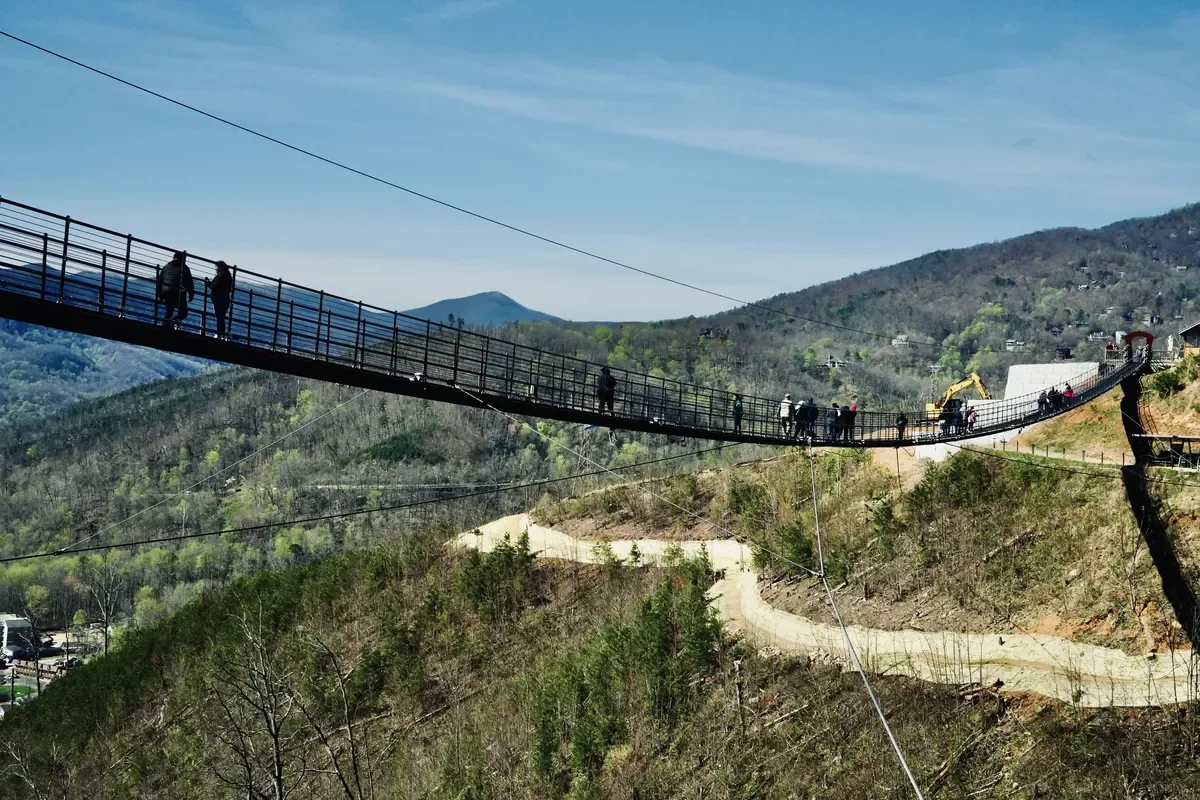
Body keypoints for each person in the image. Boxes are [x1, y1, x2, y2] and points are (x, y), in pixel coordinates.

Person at [156, 251, 194, 326]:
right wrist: (191, 294)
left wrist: (159, 294)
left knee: (169, 312)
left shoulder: (166, 267)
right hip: (178, 293)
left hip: (166, 291)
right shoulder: (184, 268)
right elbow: (189, 282)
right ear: (182, 258)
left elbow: (159, 282)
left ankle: (165, 325)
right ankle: (172, 322)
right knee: (183, 313)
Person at [209, 260, 233, 338]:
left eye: (215, 267)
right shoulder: (227, 274)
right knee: (221, 317)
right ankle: (221, 333)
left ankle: (220, 333)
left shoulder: (222, 275)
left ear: (219, 267)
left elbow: (215, 286)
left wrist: (208, 284)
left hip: (219, 298)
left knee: (219, 317)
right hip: (224, 298)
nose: (215, 269)